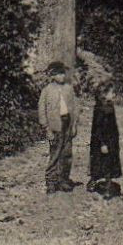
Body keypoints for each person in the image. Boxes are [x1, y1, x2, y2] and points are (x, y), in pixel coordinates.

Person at [37, 60, 77, 193]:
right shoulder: (47, 91)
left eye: (63, 74)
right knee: (55, 154)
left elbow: (75, 108)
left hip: (67, 123)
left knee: (67, 153)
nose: (62, 77)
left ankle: (63, 180)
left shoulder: (69, 88)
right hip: (55, 126)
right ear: (52, 75)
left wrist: (74, 125)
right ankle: (51, 181)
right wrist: (47, 129)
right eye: (59, 74)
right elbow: (42, 111)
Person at [87, 84, 122, 199]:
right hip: (102, 141)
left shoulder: (109, 106)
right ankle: (105, 188)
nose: (114, 95)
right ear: (105, 94)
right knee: (102, 163)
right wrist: (102, 143)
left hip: (111, 140)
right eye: (112, 93)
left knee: (109, 162)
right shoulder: (100, 109)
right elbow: (97, 128)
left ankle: (104, 184)